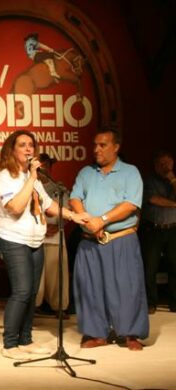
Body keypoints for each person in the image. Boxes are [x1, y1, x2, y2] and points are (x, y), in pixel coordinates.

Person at [0, 130, 87, 360]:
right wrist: (32, 179)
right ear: (11, 150)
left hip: (36, 240)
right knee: (22, 291)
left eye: (31, 145)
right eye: (22, 145)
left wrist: (74, 216)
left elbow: (49, 206)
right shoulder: (5, 177)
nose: (28, 149)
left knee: (32, 292)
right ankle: (10, 343)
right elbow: (14, 207)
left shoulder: (31, 178)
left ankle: (25, 340)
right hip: (13, 240)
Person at [70, 127, 149, 351]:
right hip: (89, 240)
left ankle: (130, 333)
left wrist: (101, 220)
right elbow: (75, 198)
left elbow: (131, 204)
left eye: (102, 145)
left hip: (121, 239)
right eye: (95, 145)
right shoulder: (86, 172)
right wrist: (88, 221)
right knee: (90, 287)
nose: (96, 149)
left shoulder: (130, 172)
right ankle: (97, 333)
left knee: (127, 287)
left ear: (116, 147)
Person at [139, 150, 176, 314]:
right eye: (162, 164)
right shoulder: (148, 180)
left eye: (168, 163)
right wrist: (174, 204)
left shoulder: (174, 180)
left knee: (174, 266)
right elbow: (154, 199)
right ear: (155, 165)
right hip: (153, 229)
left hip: (172, 229)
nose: (166, 167)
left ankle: (174, 301)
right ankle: (151, 302)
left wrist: (173, 180)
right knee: (150, 267)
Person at [34, 153, 70, 318]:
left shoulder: (59, 188)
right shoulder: (30, 186)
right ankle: (33, 306)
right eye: (39, 167)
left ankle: (59, 307)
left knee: (57, 274)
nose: (43, 170)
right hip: (36, 236)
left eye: (46, 166)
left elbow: (68, 210)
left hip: (56, 236)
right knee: (37, 274)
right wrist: (44, 226)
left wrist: (59, 225)